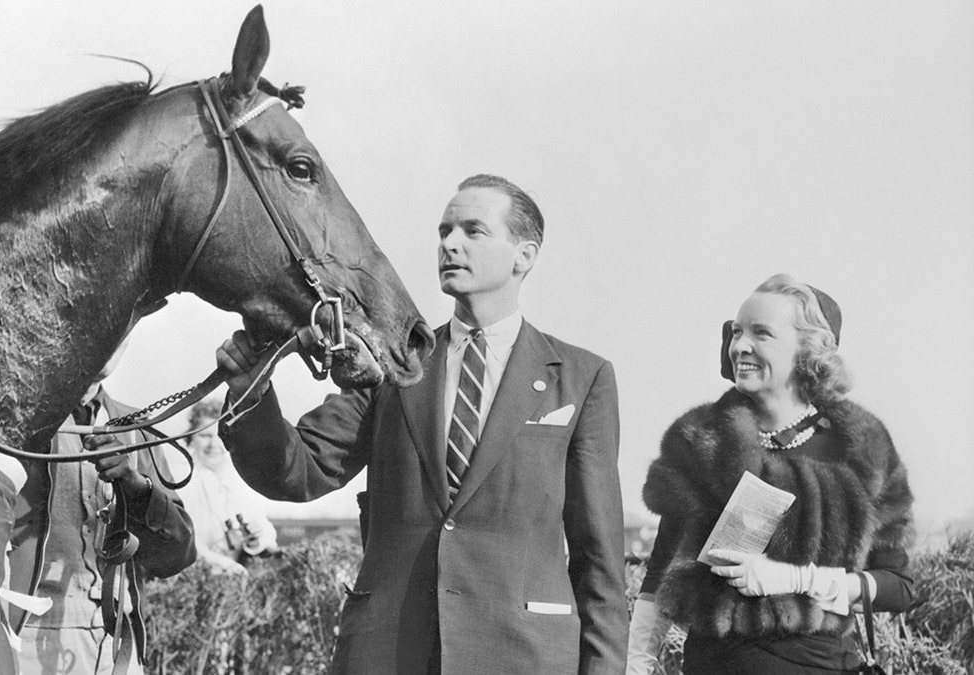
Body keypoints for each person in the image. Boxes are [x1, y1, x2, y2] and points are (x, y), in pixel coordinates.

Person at [215, 174, 629, 674]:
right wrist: (251, 393)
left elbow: (599, 560)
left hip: (525, 655)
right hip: (389, 654)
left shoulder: (582, 379)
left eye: (473, 232)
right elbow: (298, 470)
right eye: (444, 232)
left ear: (524, 256)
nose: (450, 244)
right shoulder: (394, 365)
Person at [626, 274, 915, 674]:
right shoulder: (702, 441)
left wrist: (795, 579)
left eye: (761, 334)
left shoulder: (860, 448)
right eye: (736, 331)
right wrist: (635, 666)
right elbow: (659, 574)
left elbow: (897, 587)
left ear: (808, 351)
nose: (739, 345)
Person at [8, 341, 197, 674]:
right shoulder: (17, 416)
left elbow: (176, 555)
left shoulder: (136, 430)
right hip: (23, 640)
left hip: (115, 650)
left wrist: (137, 488)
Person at [179, 398, 278, 574]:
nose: (213, 445)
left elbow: (264, 528)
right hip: (192, 575)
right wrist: (221, 563)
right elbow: (182, 540)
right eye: (204, 435)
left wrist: (256, 540)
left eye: (219, 435)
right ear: (191, 437)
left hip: (236, 575)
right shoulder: (180, 480)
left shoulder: (243, 478)